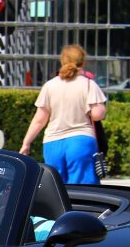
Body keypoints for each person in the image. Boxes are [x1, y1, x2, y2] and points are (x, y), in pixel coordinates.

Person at [18, 44, 108, 184]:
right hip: (81, 141)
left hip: (52, 143)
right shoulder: (88, 85)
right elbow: (97, 115)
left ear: (62, 61)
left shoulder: (49, 86)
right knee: (83, 190)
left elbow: (39, 119)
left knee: (57, 188)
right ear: (82, 62)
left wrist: (26, 143)